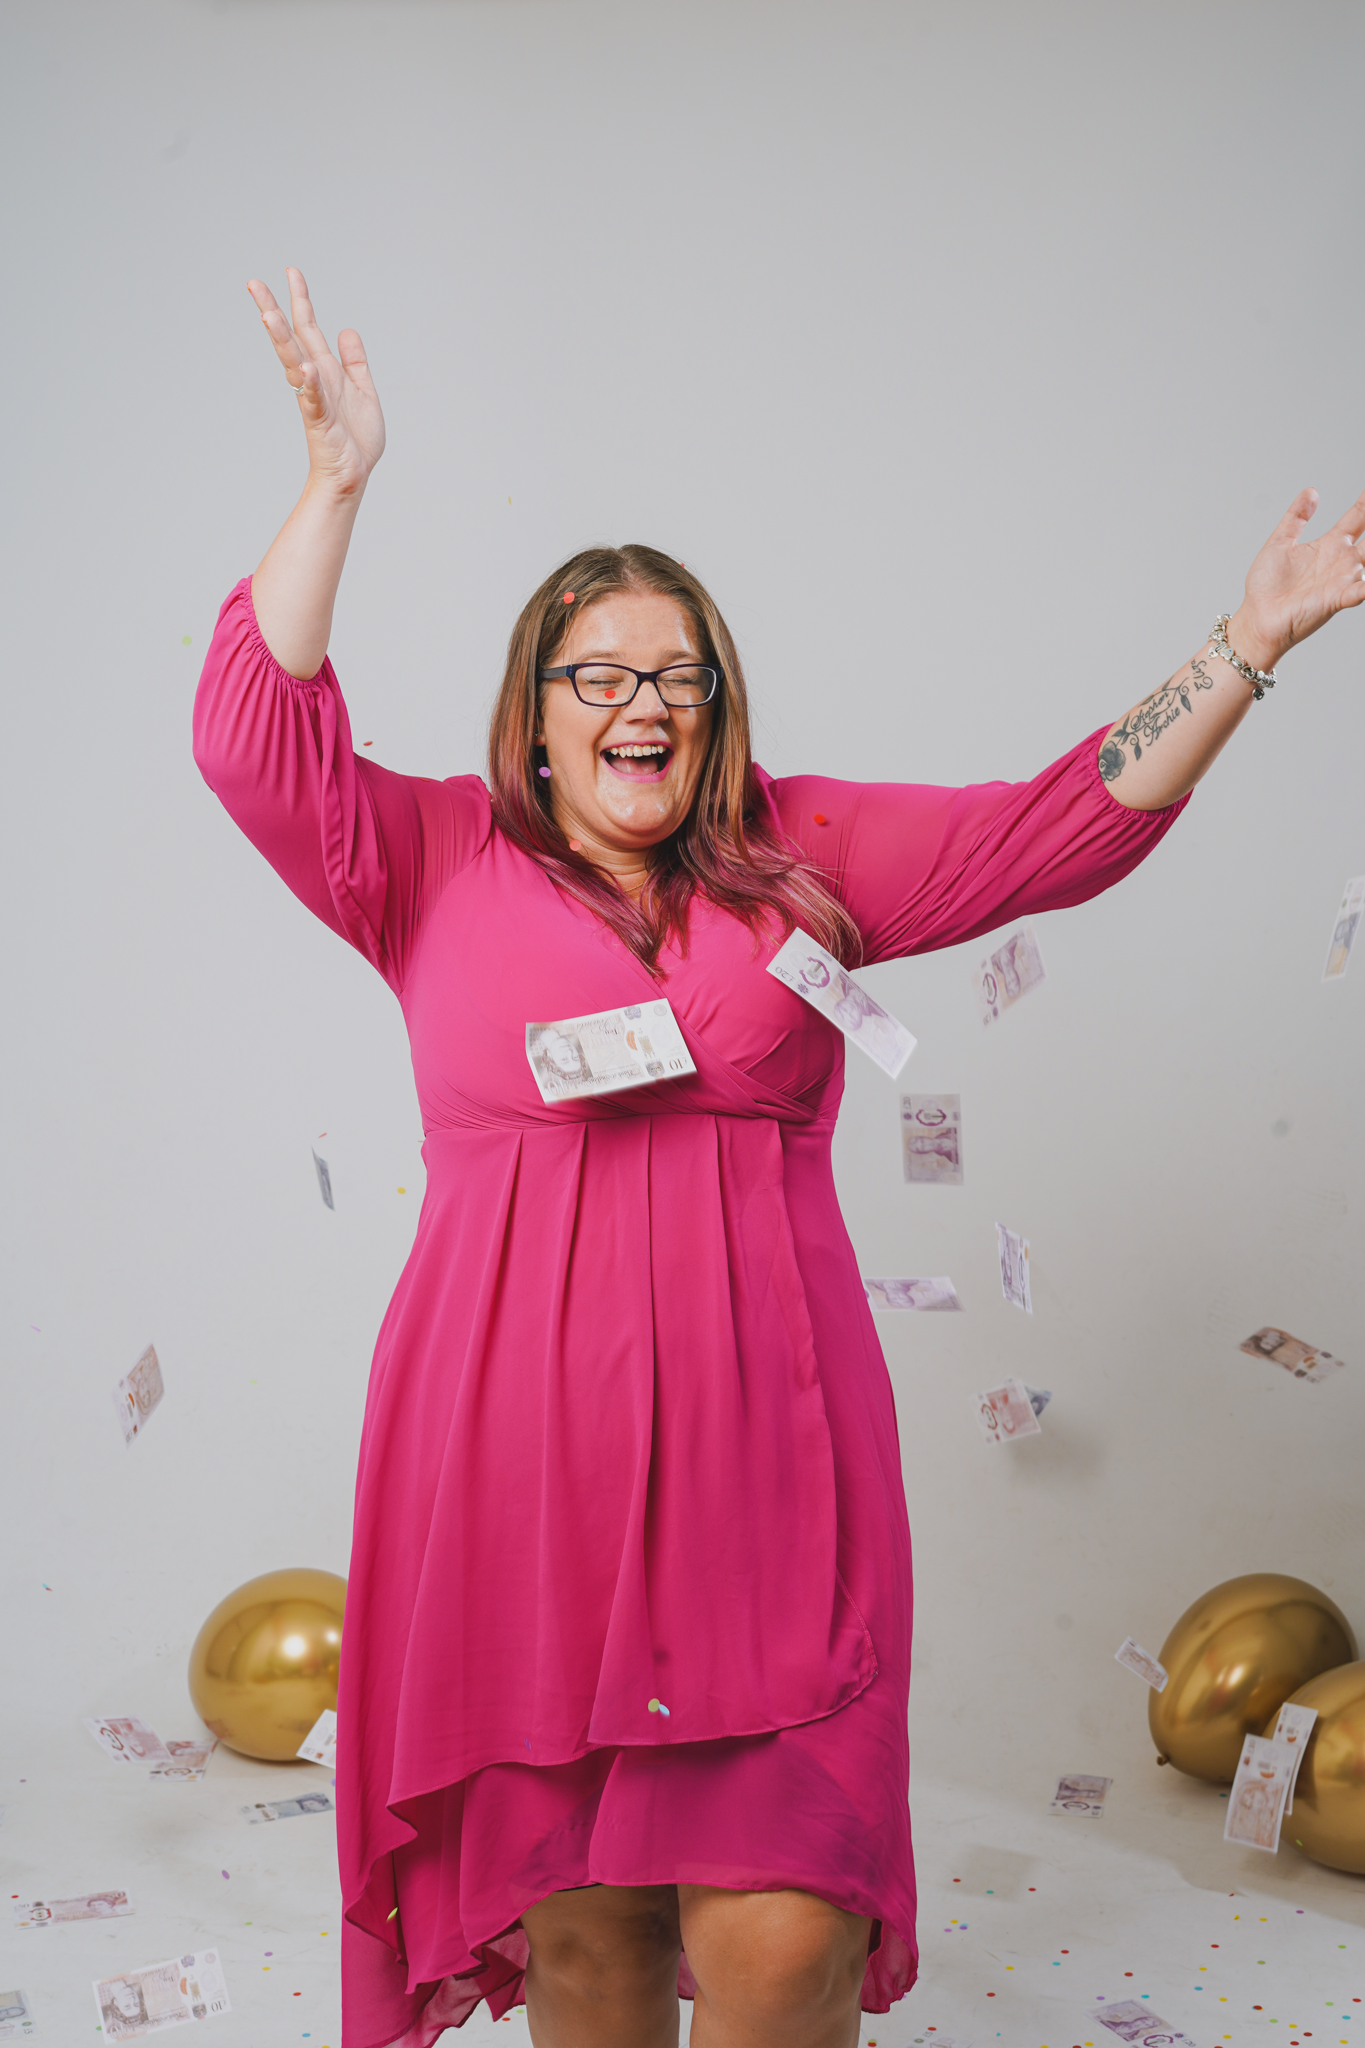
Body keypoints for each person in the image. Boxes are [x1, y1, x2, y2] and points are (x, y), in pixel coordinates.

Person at [193, 269, 1364, 2048]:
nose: (638, 701)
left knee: (780, 1946)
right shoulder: (428, 860)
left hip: (769, 1468)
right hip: (513, 1470)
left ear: (718, 699)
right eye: (597, 672)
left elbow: (1057, 829)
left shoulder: (799, 853)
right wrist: (338, 485)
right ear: (534, 711)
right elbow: (251, 742)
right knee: (580, 1943)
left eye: (677, 671)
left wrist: (1248, 640)